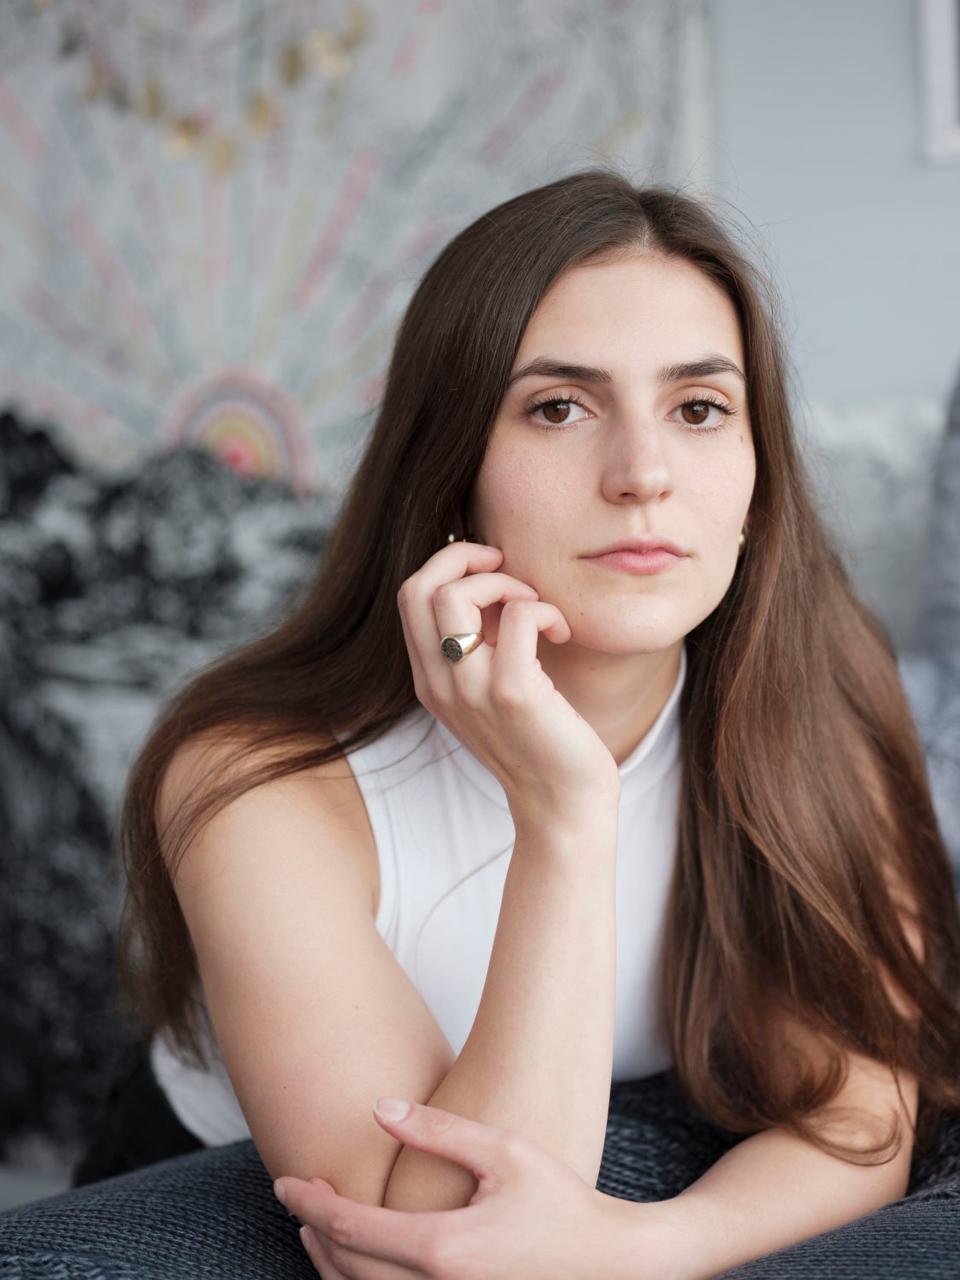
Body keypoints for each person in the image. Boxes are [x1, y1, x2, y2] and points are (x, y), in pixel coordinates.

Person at [70, 166, 960, 1276]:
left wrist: (645, 1248)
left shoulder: (819, 693)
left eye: (698, 408)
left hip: (625, 1182)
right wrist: (568, 812)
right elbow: (434, 1243)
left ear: (758, 481)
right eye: (558, 407)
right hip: (227, 1216)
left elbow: (859, 1119)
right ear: (451, 472)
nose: (642, 474)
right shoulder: (258, 774)